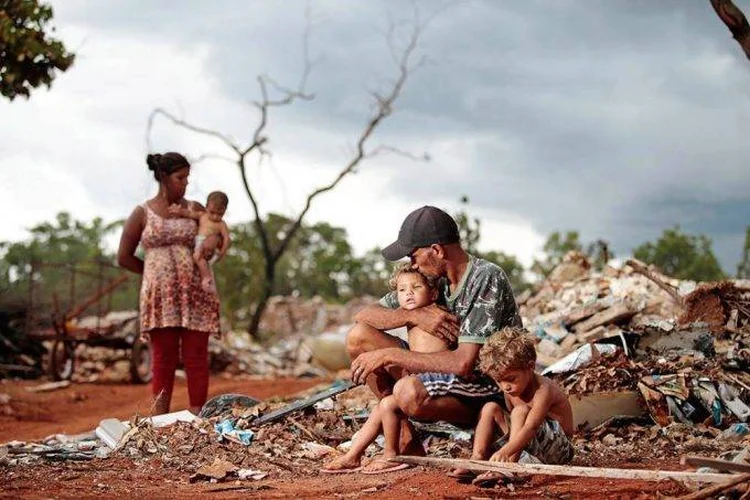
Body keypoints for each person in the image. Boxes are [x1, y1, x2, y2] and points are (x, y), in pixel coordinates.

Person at [348, 205, 522, 460]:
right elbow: (364, 315)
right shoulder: (433, 279)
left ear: (437, 251)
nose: (413, 265)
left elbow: (463, 363)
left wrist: (389, 356)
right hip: (439, 378)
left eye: (413, 256)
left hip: (483, 389)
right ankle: (407, 438)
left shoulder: (486, 278)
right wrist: (411, 314)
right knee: (358, 336)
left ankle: (479, 433)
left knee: (407, 392)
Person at [117, 152, 220, 415]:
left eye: (188, 178)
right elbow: (124, 256)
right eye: (180, 177)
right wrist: (152, 275)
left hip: (195, 293)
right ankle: (159, 421)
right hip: (161, 297)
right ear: (164, 178)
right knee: (163, 359)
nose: (185, 183)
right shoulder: (142, 213)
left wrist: (212, 242)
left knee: (196, 357)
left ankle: (198, 417)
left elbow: (216, 233)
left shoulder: (195, 209)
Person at [321, 264, 446, 474]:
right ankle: (354, 455)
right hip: (416, 373)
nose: (409, 294)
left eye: (416, 288)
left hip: (434, 379)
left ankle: (391, 453)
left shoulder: (437, 313)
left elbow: (436, 359)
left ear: (433, 293)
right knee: (383, 406)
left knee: (386, 405)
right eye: (402, 290)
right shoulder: (410, 308)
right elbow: (363, 315)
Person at [452, 327, 574, 486]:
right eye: (498, 381)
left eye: (510, 379)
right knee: (490, 408)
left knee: (520, 411)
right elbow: (517, 426)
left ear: (530, 366)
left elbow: (531, 426)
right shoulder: (510, 390)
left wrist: (505, 451)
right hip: (529, 446)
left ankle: (509, 467)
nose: (505, 387)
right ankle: (478, 460)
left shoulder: (544, 390)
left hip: (559, 451)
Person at [169, 190, 230, 292]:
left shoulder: (221, 224)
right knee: (198, 260)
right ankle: (204, 276)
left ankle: (206, 278)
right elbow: (189, 214)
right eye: (212, 212)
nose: (215, 217)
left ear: (225, 210)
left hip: (210, 246)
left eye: (220, 214)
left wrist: (222, 252)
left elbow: (226, 238)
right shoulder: (203, 216)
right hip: (199, 242)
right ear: (206, 207)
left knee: (197, 257)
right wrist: (179, 211)